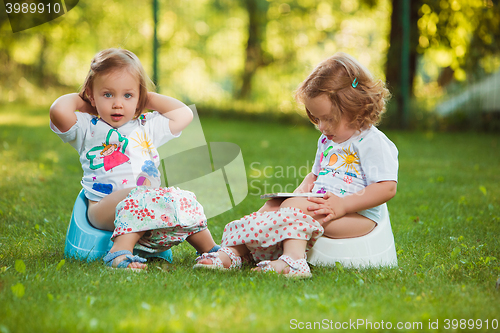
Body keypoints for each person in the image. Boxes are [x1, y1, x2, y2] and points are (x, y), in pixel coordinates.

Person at [194, 52, 398, 278]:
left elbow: (387, 187)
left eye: (328, 119)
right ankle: (233, 253)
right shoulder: (327, 140)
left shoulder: (372, 142)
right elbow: (315, 175)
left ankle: (294, 262)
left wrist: (344, 205)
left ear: (355, 106)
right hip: (324, 209)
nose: (321, 126)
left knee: (296, 208)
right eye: (316, 119)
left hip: (357, 218)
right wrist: (299, 192)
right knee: (273, 205)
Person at [50, 48, 219, 270]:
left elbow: (184, 114)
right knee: (137, 195)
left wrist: (145, 98)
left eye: (127, 95)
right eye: (107, 94)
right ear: (92, 95)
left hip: (149, 203)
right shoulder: (87, 127)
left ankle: (212, 251)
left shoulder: (146, 126)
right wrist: (88, 102)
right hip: (103, 208)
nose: (117, 104)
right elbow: (58, 111)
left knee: (183, 199)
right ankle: (120, 253)